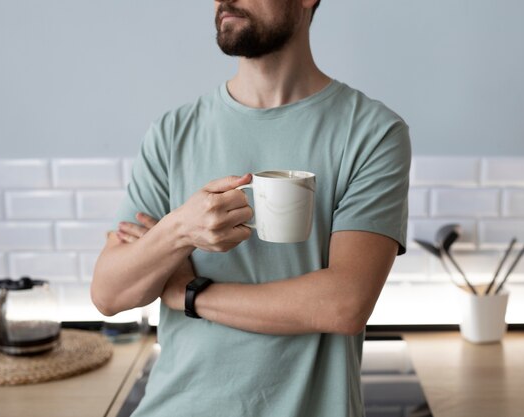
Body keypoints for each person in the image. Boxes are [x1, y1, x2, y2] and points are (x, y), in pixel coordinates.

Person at [91, 1, 411, 416]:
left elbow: (344, 304)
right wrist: (178, 230)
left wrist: (189, 295)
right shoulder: (172, 132)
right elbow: (109, 293)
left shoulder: (372, 133)